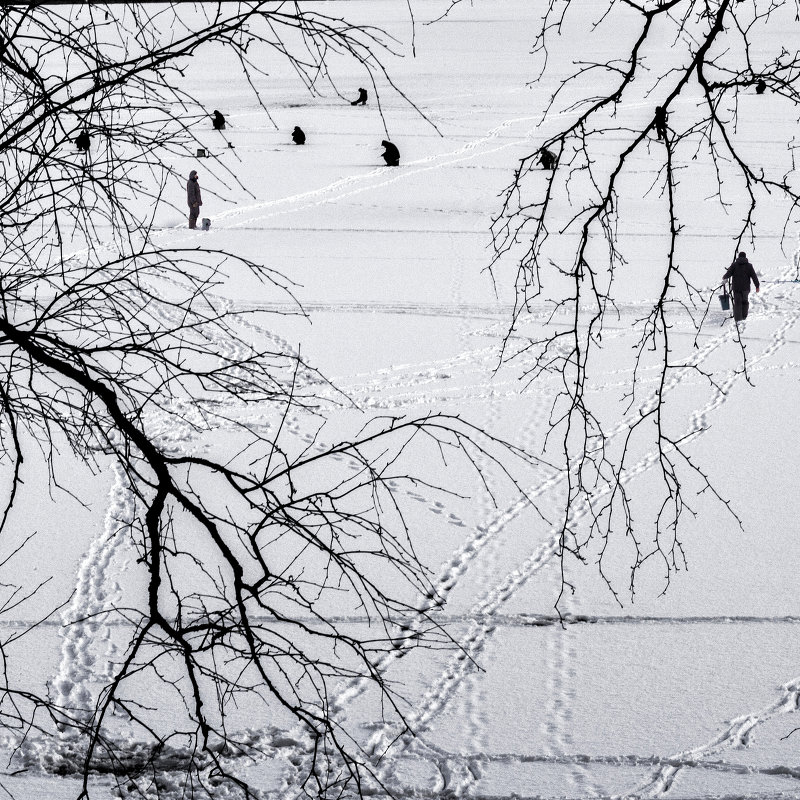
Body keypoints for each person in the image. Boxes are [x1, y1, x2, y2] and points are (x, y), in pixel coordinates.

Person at [723, 251, 760, 322]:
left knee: (737, 303)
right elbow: (754, 276)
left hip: (736, 287)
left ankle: (738, 319)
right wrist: (757, 286)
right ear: (745, 257)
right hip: (746, 288)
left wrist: (724, 277)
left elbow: (728, 273)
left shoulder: (734, 265)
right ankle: (744, 316)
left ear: (739, 257)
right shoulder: (749, 266)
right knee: (745, 302)